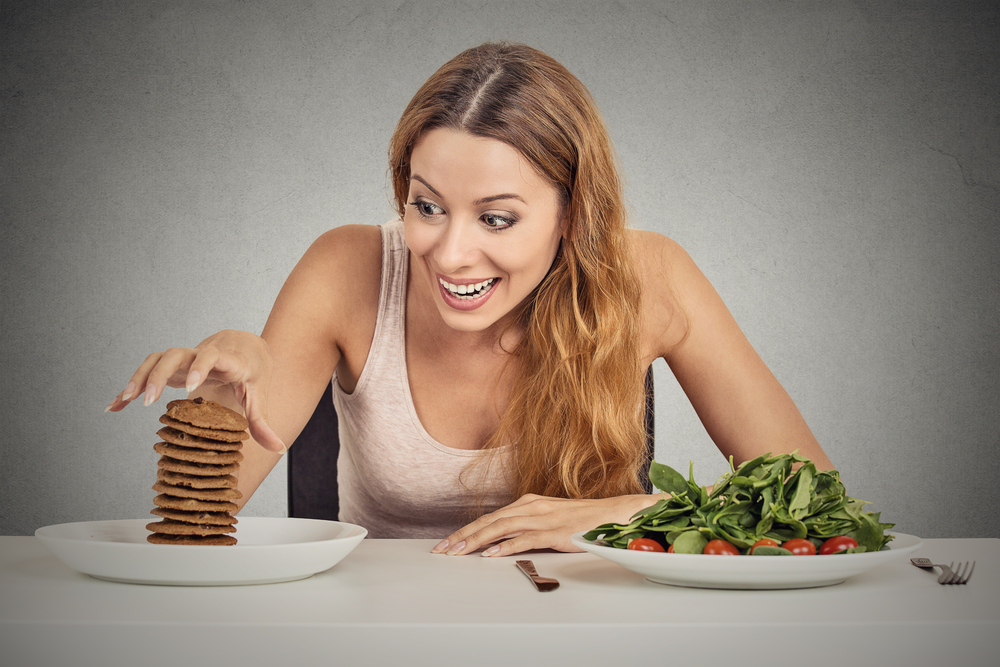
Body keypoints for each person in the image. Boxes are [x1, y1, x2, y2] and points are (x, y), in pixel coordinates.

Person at [106, 42, 834, 557]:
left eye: (496, 218)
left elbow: (817, 497)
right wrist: (219, 400)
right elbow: (192, 529)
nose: (449, 253)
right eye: (427, 207)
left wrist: (625, 515)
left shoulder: (652, 276)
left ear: (573, 215)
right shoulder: (347, 269)